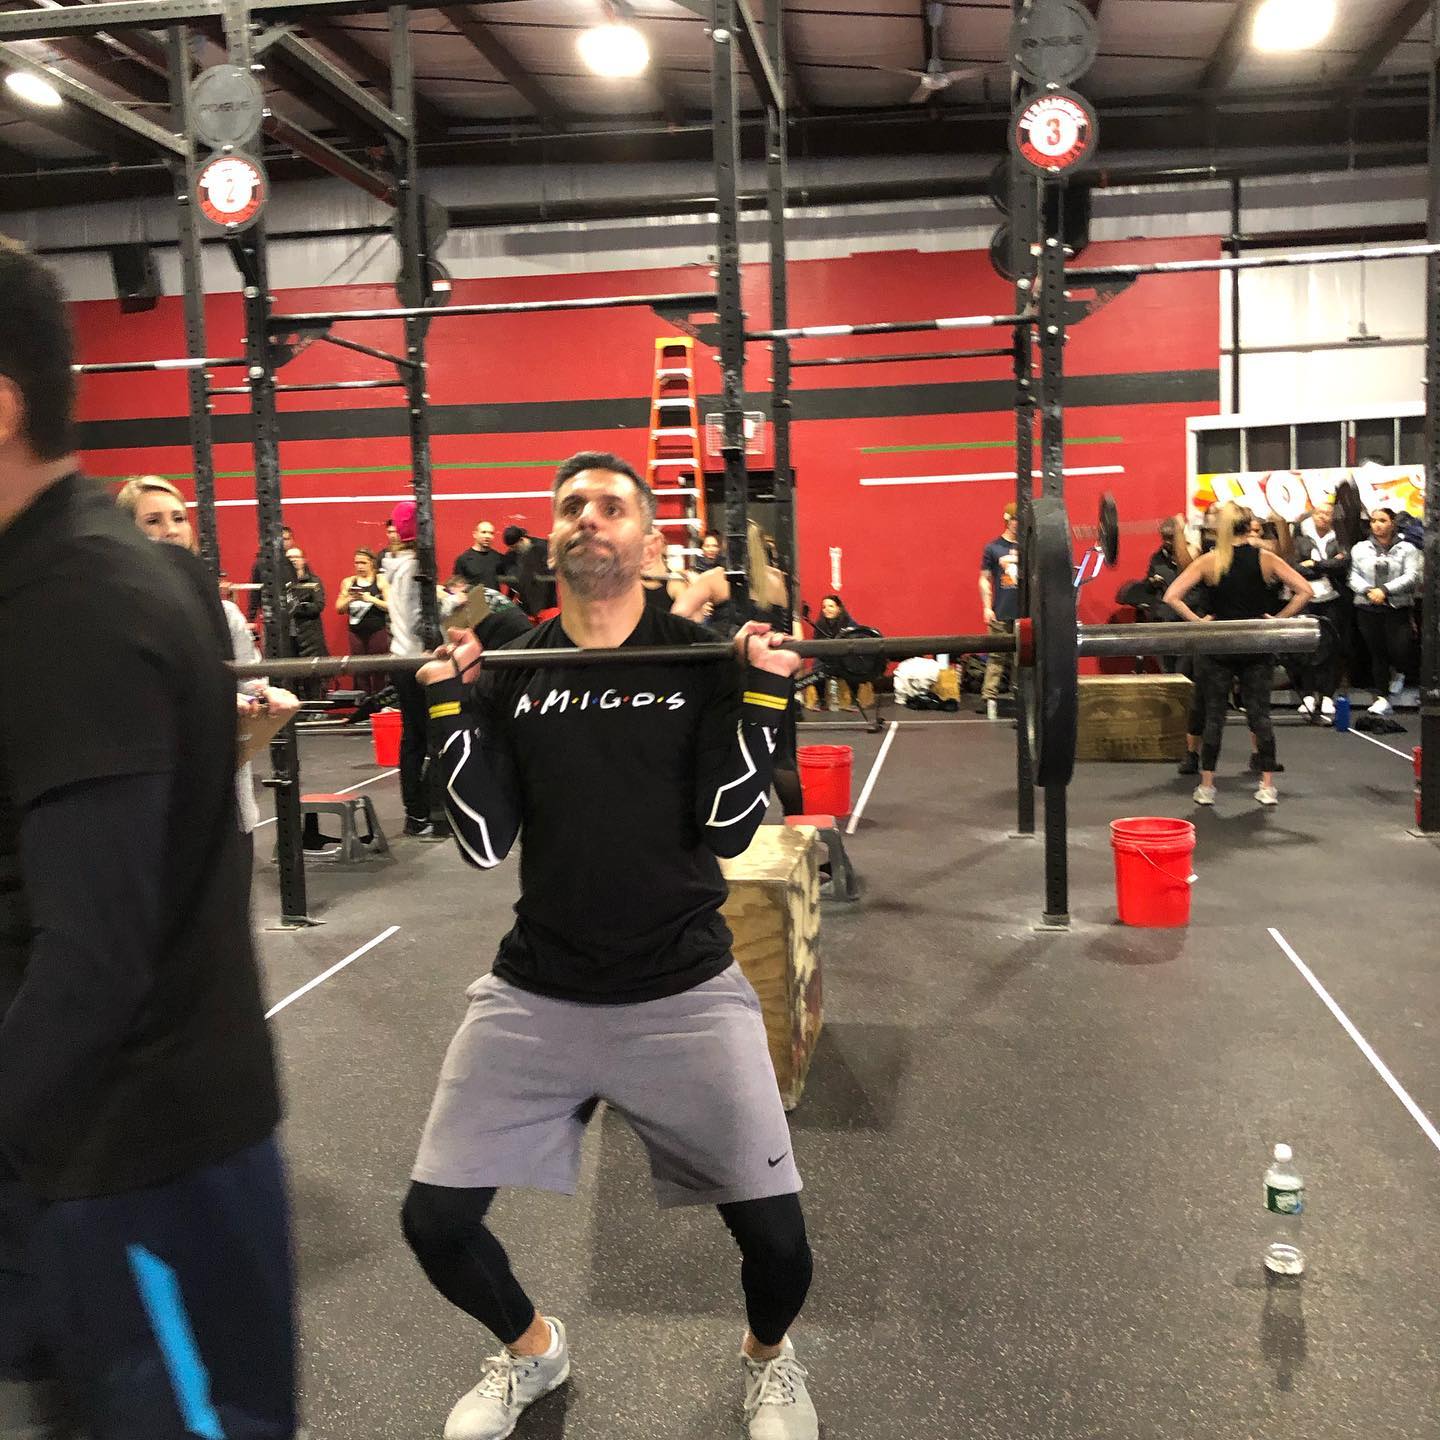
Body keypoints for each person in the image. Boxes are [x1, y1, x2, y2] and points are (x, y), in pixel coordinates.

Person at [402, 451, 818, 1440]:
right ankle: (533, 1350)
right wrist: (449, 706)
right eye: (572, 506)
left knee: (780, 1246)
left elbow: (727, 829)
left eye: (613, 506)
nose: (589, 517)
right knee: (434, 1224)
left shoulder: (701, 658)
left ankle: (769, 1358)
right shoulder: (514, 667)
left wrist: (762, 697)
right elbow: (483, 842)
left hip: (684, 987)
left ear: (649, 540)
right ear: (552, 540)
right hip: (539, 989)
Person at [0, 240, 295, 1438]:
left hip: (141, 1173)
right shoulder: (53, 576)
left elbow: (95, 957)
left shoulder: (75, 603)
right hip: (72, 1159)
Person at [114, 474, 300, 836]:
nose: (171, 530)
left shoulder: (224, 614)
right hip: (150, 812)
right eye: (153, 521)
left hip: (224, 809)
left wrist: (265, 699)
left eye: (178, 518)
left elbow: (251, 684)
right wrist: (211, 703)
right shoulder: (116, 613)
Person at [1163, 502, 1312, 807]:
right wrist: (1278, 619)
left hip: (1218, 644)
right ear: (1248, 527)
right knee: (1260, 715)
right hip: (1255, 644)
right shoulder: (1265, 558)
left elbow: (1171, 596)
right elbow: (1306, 590)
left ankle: (1207, 786)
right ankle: (1267, 786)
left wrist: (1198, 622)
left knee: (1214, 716)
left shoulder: (1210, 560)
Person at [1349, 506, 1421, 717]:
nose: (1377, 525)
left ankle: (1400, 672)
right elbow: (1353, 575)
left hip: (1397, 606)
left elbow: (1412, 576)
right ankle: (1382, 697)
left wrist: (1385, 590)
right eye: (1373, 521)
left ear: (1392, 523)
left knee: (1400, 649)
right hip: (1368, 606)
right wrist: (1368, 590)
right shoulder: (1360, 548)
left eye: (1382, 520)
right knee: (1377, 653)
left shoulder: (1407, 548)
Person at [1291, 500, 1348, 720]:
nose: (1323, 517)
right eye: (1319, 513)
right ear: (1313, 515)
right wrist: (1326, 565)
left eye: (1328, 513)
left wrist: (1314, 564)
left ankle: (1327, 696)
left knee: (1331, 647)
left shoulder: (1340, 538)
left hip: (1332, 597)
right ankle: (1307, 694)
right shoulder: (1300, 538)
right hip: (1305, 597)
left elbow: (1343, 564)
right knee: (1306, 646)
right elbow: (1294, 567)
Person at [979, 502, 1020, 721]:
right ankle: (990, 698)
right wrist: (987, 607)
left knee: (1023, 659)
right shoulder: (993, 548)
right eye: (1015, 519)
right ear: (1008, 520)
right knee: (996, 657)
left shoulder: (1029, 549)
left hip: (1025, 613)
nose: (1018, 524)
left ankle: (1020, 698)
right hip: (1001, 611)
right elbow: (984, 579)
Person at [337, 547, 391, 695]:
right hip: (356, 632)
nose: (359, 566)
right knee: (360, 670)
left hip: (377, 629)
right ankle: (363, 702)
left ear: (372, 563)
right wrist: (350, 598)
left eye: (363, 563)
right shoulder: (349, 582)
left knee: (379, 669)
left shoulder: (380, 580)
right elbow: (339, 608)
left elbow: (390, 606)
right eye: (357, 563)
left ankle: (380, 701)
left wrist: (371, 599)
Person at [247, 523, 297, 620]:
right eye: (282, 539)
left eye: (287, 539)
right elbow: (255, 592)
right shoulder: (261, 564)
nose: (284, 542)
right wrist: (251, 617)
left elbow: (297, 589)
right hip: (271, 615)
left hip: (291, 615)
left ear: (292, 541)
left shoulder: (294, 562)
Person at [453, 520, 504, 591]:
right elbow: (457, 586)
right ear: (474, 534)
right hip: (473, 598)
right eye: (483, 532)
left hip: (494, 598)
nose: (487, 536)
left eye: (491, 533)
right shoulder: (463, 559)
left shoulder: (499, 558)